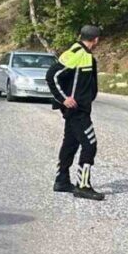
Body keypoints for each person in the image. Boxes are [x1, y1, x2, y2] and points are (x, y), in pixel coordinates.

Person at [46, 25, 105, 201]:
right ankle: (83, 186)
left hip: (78, 109)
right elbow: (52, 75)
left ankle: (62, 180)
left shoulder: (79, 52)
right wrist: (63, 99)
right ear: (96, 40)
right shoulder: (78, 54)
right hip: (77, 110)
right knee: (90, 144)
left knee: (70, 144)